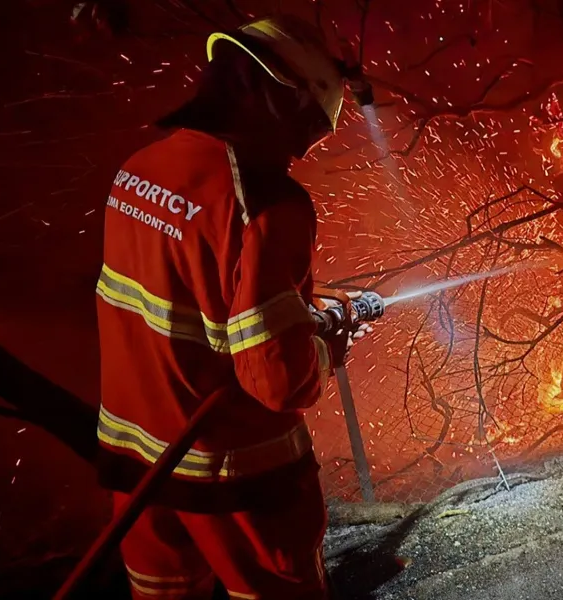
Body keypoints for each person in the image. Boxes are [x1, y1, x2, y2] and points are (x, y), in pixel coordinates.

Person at [94, 15, 365, 599]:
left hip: (139, 471)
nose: (301, 149)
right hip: (239, 482)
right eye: (310, 127)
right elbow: (278, 382)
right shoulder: (268, 206)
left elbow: (201, 315)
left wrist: (299, 319)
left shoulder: (136, 171)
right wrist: (325, 345)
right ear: (273, 95)